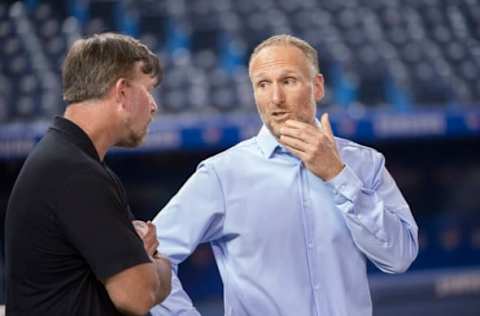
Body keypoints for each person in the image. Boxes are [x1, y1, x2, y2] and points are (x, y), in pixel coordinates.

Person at [150, 34, 419, 316]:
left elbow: (399, 257)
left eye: (288, 81)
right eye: (263, 85)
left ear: (317, 87)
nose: (276, 98)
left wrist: (338, 175)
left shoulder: (363, 163)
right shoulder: (222, 174)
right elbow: (152, 259)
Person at [5, 33, 171, 316]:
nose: (154, 106)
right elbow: (138, 296)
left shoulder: (66, 158)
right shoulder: (76, 173)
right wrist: (152, 259)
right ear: (122, 92)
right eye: (148, 90)